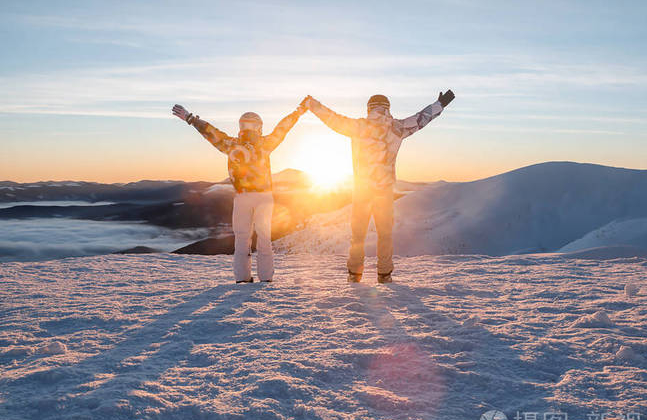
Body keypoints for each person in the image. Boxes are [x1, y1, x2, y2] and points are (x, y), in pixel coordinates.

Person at [302, 90, 455, 283]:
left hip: (362, 190)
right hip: (384, 192)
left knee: (358, 235)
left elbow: (331, 118)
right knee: (385, 235)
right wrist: (439, 104)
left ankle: (354, 274)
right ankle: (384, 274)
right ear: (387, 108)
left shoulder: (358, 126)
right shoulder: (397, 127)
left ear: (369, 108)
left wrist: (312, 104)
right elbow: (420, 120)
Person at [171, 101, 306, 283]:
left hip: (242, 197)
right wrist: (297, 113)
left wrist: (190, 118)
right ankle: (266, 279)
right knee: (264, 238)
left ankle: (242, 279)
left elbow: (210, 132)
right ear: (259, 127)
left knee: (242, 239)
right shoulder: (265, 144)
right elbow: (283, 128)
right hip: (264, 197)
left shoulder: (230, 145)